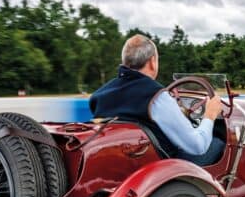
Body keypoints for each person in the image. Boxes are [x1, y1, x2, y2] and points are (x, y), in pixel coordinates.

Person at [89, 35, 225, 165]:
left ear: (125, 61)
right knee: (218, 143)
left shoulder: (100, 95)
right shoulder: (157, 97)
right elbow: (197, 146)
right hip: (165, 165)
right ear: (152, 62)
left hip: (125, 161)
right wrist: (209, 115)